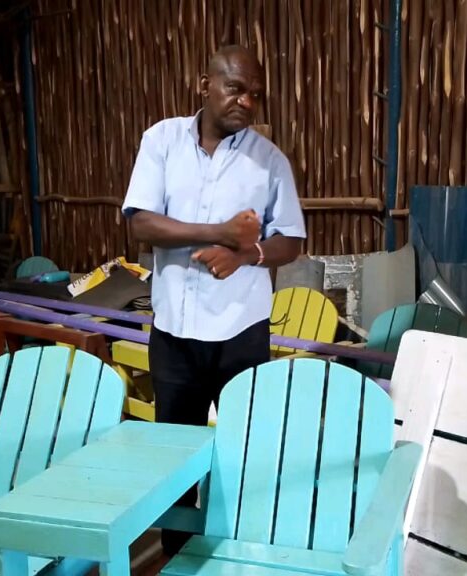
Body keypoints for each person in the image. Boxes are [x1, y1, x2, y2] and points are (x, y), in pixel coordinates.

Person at [121, 45, 306, 556]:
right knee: (175, 456)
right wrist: (221, 233)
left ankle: (236, 554)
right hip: (175, 332)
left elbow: (291, 240)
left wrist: (247, 255)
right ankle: (178, 554)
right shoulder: (160, 141)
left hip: (241, 334)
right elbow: (140, 224)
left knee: (242, 453)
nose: (246, 101)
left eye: (255, 94)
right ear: (205, 84)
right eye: (235, 88)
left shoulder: (269, 163)